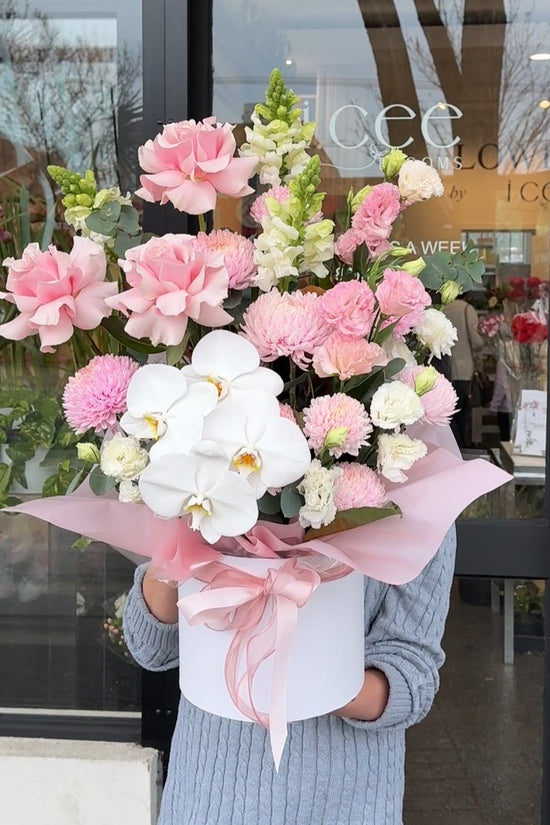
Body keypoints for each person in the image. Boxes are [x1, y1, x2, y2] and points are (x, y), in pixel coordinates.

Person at [123, 526, 456, 825]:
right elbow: (151, 648)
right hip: (208, 796)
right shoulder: (216, 474)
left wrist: (305, 677)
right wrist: (177, 535)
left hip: (343, 802)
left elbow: (412, 675)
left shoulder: (419, 499)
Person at [443, 297, 484, 448]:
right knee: (462, 415)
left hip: (445, 371)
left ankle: (452, 448)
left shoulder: (442, 308)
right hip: (464, 369)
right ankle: (462, 448)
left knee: (448, 416)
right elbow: (477, 341)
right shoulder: (467, 309)